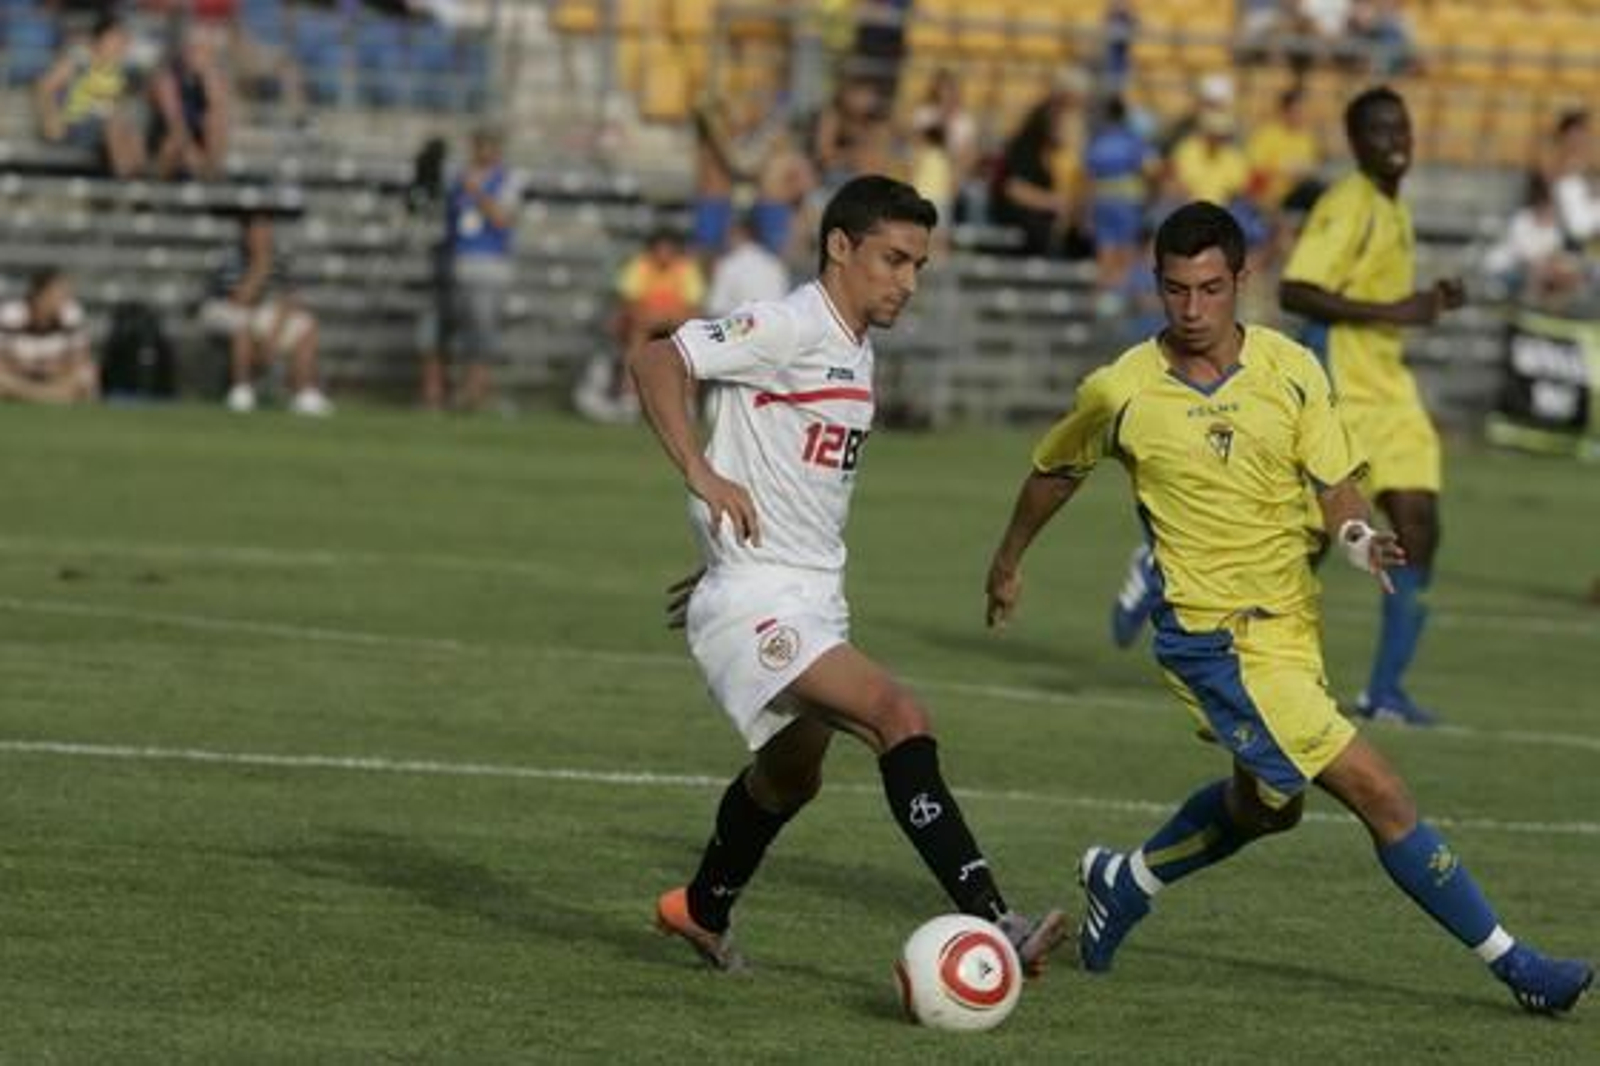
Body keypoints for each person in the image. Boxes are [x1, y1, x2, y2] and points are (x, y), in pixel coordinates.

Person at [984, 201, 1592, 1016]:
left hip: (1290, 626)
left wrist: (1355, 536)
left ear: (1242, 280)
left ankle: (1124, 880)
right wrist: (1007, 562)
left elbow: (1335, 481)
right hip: (1214, 642)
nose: (1192, 310)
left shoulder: (1291, 367)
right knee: (1383, 793)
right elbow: (1054, 472)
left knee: (1269, 809)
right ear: (1155, 285)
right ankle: (1518, 967)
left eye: (1209, 289)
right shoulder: (1120, 389)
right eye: (1174, 290)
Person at [629, 176, 1065, 973]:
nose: (907, 281)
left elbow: (784, 471)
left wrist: (718, 555)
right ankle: (998, 920)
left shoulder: (854, 351)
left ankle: (699, 908)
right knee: (899, 716)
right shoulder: (788, 324)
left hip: (802, 594)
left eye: (918, 266)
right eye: (893, 259)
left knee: (790, 778)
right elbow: (659, 358)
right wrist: (697, 471)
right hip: (761, 601)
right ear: (840, 246)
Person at [1279, 86, 1464, 726]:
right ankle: (1180, 589)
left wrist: (1426, 299)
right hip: (1344, 392)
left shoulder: (1393, 207)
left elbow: (1374, 293)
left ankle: (1383, 692)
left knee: (1420, 524)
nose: (1396, 141)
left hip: (1389, 389)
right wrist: (1398, 311)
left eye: (1402, 129)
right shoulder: (1347, 204)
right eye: (1380, 131)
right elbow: (1296, 289)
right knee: (1309, 541)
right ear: (1356, 143)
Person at [418, 127, 522, 412]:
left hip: (489, 265)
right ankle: (437, 395)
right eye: (479, 145)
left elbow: (503, 219)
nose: (482, 152)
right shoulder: (457, 177)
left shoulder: (507, 179)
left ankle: (474, 395)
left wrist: (476, 192)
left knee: (481, 333)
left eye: (488, 146)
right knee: (441, 330)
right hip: (454, 263)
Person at [201, 211, 333, 416]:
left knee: (307, 325)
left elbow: (289, 299)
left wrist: (275, 332)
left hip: (267, 314)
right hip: (228, 310)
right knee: (243, 324)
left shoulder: (280, 259)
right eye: (258, 230)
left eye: (266, 230)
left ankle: (303, 392)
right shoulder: (231, 258)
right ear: (246, 233)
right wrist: (260, 267)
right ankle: (242, 390)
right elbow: (240, 299)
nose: (263, 235)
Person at [577, 229, 705, 423]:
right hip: (642, 325)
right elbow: (629, 302)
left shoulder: (686, 268)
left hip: (676, 326)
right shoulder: (640, 266)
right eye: (660, 249)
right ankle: (630, 395)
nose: (664, 254)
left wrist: (667, 318)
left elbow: (694, 307)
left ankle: (687, 398)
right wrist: (650, 317)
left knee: (688, 342)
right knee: (638, 334)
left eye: (668, 249)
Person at [34, 13, 146, 178]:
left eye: (122, 39)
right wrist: (51, 117)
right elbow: (44, 87)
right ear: (100, 38)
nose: (119, 44)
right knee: (114, 126)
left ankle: (138, 181)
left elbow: (125, 103)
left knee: (133, 131)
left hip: (109, 125)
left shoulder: (124, 69)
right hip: (78, 124)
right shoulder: (80, 60)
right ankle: (128, 185)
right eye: (115, 38)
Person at [0, 268, 97, 405]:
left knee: (86, 374)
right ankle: (48, 398)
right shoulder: (10, 314)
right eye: (58, 294)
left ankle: (32, 397)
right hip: (19, 378)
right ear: (39, 294)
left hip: (53, 380)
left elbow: (79, 360)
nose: (63, 299)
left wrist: (53, 370)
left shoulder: (71, 314)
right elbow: (3, 361)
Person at [147, 24, 231, 181]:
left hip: (198, 139)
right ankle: (158, 187)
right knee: (175, 142)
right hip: (168, 138)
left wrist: (208, 78)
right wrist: (191, 150)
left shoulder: (212, 77)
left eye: (206, 52)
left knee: (214, 122)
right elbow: (174, 121)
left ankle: (213, 176)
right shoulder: (168, 76)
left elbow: (218, 110)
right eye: (197, 50)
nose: (201, 56)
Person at [705, 212, 790, 317]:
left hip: (742, 329)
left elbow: (715, 309)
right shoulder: (775, 263)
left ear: (739, 233)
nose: (725, 239)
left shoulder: (728, 264)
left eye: (728, 233)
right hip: (776, 327)